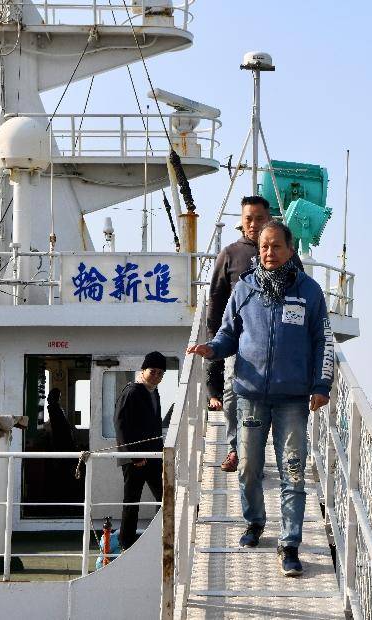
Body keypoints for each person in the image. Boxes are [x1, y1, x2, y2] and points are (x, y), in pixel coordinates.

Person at [188, 221, 335, 577]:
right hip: (250, 396)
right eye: (264, 246)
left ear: (290, 250)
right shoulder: (245, 289)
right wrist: (212, 349)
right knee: (248, 468)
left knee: (293, 471)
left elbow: (323, 341)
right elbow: (228, 335)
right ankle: (254, 522)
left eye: (276, 246)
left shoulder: (309, 291)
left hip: (293, 399)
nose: (269, 253)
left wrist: (321, 385)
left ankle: (290, 544)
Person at [206, 196, 303, 473]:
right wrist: (215, 339)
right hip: (237, 340)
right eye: (248, 218)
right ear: (241, 220)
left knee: (274, 402)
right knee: (231, 393)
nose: (254, 224)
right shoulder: (230, 254)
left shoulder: (288, 255)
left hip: (275, 343)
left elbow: (301, 292)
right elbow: (216, 299)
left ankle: (262, 452)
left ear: (269, 219)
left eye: (260, 218)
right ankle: (235, 449)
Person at [114, 351, 167, 550]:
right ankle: (126, 544)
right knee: (132, 500)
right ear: (143, 370)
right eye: (153, 371)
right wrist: (134, 455)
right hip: (135, 459)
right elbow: (120, 424)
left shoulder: (153, 392)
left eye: (160, 373)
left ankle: (161, 536)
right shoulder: (132, 391)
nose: (156, 376)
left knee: (165, 496)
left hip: (153, 457)